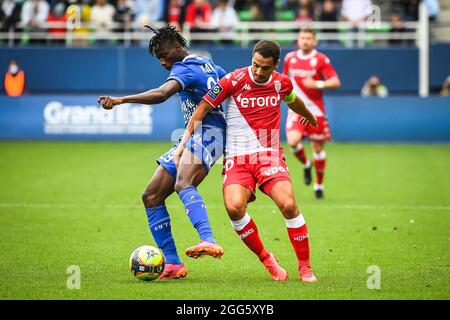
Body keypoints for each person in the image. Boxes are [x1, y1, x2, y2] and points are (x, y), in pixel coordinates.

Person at [174, 40, 319, 282]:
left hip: (268, 154)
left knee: (289, 204)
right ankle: (267, 259)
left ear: (276, 65)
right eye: (256, 65)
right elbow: (201, 108)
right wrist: (182, 144)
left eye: (266, 68)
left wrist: (310, 116)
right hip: (237, 158)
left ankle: (305, 268)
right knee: (233, 208)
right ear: (251, 58)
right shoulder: (233, 80)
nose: (260, 72)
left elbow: (294, 100)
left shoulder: (281, 83)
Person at [98, 25, 226, 280]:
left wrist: (122, 100)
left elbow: (162, 94)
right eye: (158, 58)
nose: (163, 62)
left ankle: (208, 239)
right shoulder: (208, 64)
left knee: (183, 182)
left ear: (178, 48)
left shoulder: (184, 68)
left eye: (164, 55)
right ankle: (173, 264)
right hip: (194, 135)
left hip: (211, 134)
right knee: (152, 195)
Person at [283, 28, 341, 199]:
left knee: (318, 147)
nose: (305, 41)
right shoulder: (290, 58)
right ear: (298, 40)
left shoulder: (321, 59)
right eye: (302, 38)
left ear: (314, 41)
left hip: (316, 110)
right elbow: (285, 80)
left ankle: (319, 186)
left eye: (309, 38)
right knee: (293, 142)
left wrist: (318, 85)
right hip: (296, 109)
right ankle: (306, 164)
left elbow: (335, 81)